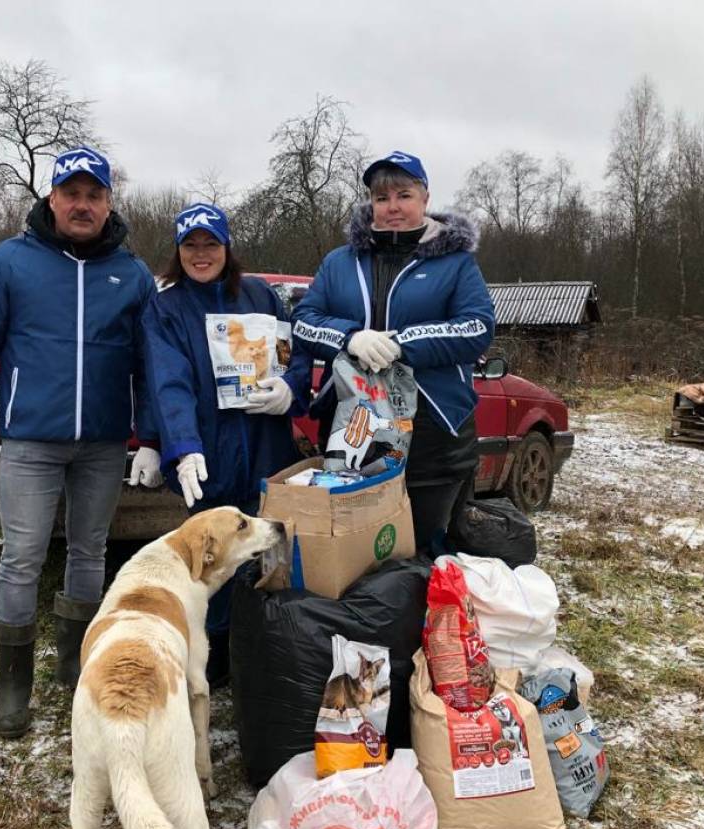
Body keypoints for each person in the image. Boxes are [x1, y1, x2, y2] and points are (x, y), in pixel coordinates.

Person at [0, 145, 163, 739]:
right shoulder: (10, 263)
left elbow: (152, 364)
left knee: (90, 552)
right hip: (30, 443)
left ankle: (73, 663)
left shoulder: (132, 273)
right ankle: (12, 680)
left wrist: (147, 439)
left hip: (101, 444)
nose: (82, 204)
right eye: (72, 193)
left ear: (108, 203)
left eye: (94, 195)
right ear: (53, 198)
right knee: (21, 558)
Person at [291, 151, 495, 557]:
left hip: (433, 431)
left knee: (424, 549)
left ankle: (428, 618)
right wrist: (350, 338)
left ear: (425, 198)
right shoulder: (339, 262)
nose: (393, 207)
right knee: (357, 548)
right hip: (352, 426)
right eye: (382, 198)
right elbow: (303, 321)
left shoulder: (454, 262)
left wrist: (402, 343)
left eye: (404, 195)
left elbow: (477, 327)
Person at [140, 202, 311, 685]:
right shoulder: (166, 308)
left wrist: (290, 391)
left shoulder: (259, 295)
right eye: (190, 245)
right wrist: (180, 444)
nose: (200, 254)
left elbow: (292, 357)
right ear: (178, 250)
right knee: (211, 563)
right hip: (210, 453)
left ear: (226, 246)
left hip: (265, 448)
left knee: (268, 552)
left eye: (210, 243)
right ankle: (211, 664)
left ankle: (265, 654)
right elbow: (167, 379)